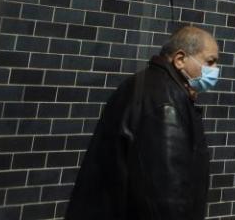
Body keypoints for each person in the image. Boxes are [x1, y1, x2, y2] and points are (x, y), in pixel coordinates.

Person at [65, 25, 221, 220]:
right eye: (210, 62)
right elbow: (166, 192)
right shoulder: (166, 104)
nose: (215, 70)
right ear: (180, 60)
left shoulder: (144, 86)